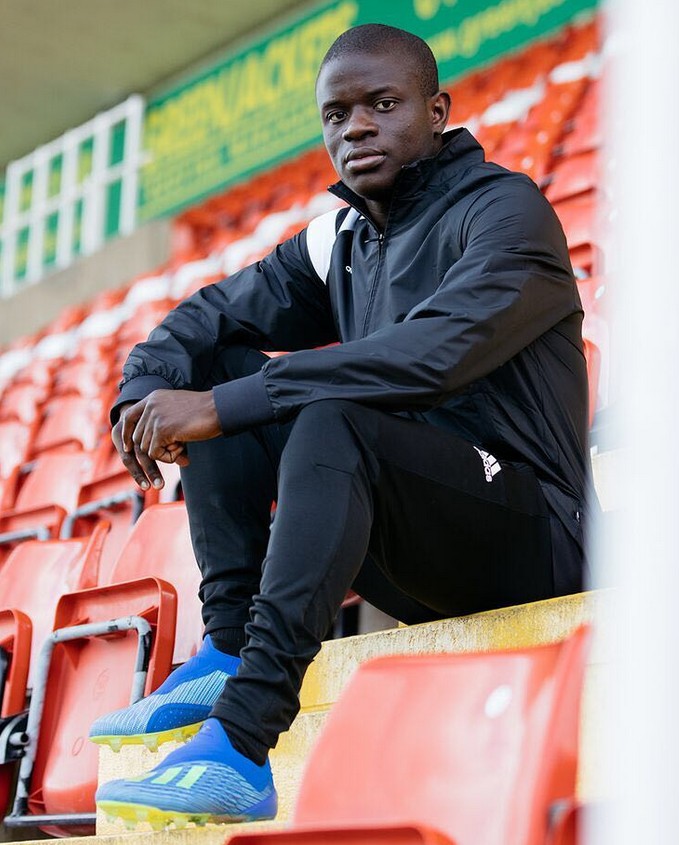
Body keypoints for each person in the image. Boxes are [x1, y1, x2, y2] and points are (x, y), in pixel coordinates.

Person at [92, 23, 593, 826]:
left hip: (532, 535)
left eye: (382, 105)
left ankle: (240, 740)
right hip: (412, 534)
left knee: (323, 414)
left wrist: (225, 406)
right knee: (219, 367)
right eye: (336, 114)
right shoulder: (344, 239)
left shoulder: (506, 210)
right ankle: (227, 645)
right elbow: (205, 318)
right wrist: (142, 395)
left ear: (436, 111)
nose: (356, 128)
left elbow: (433, 356)